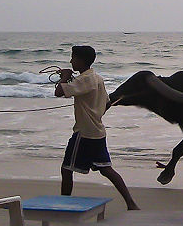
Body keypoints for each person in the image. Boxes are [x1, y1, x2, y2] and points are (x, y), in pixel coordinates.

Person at [55, 45, 139, 210]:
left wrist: (64, 77)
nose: (71, 61)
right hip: (97, 131)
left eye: (73, 58)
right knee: (106, 169)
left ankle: (64, 204)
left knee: (66, 169)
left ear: (80, 60)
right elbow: (106, 102)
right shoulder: (96, 78)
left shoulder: (84, 80)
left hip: (84, 133)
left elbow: (59, 92)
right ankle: (130, 203)